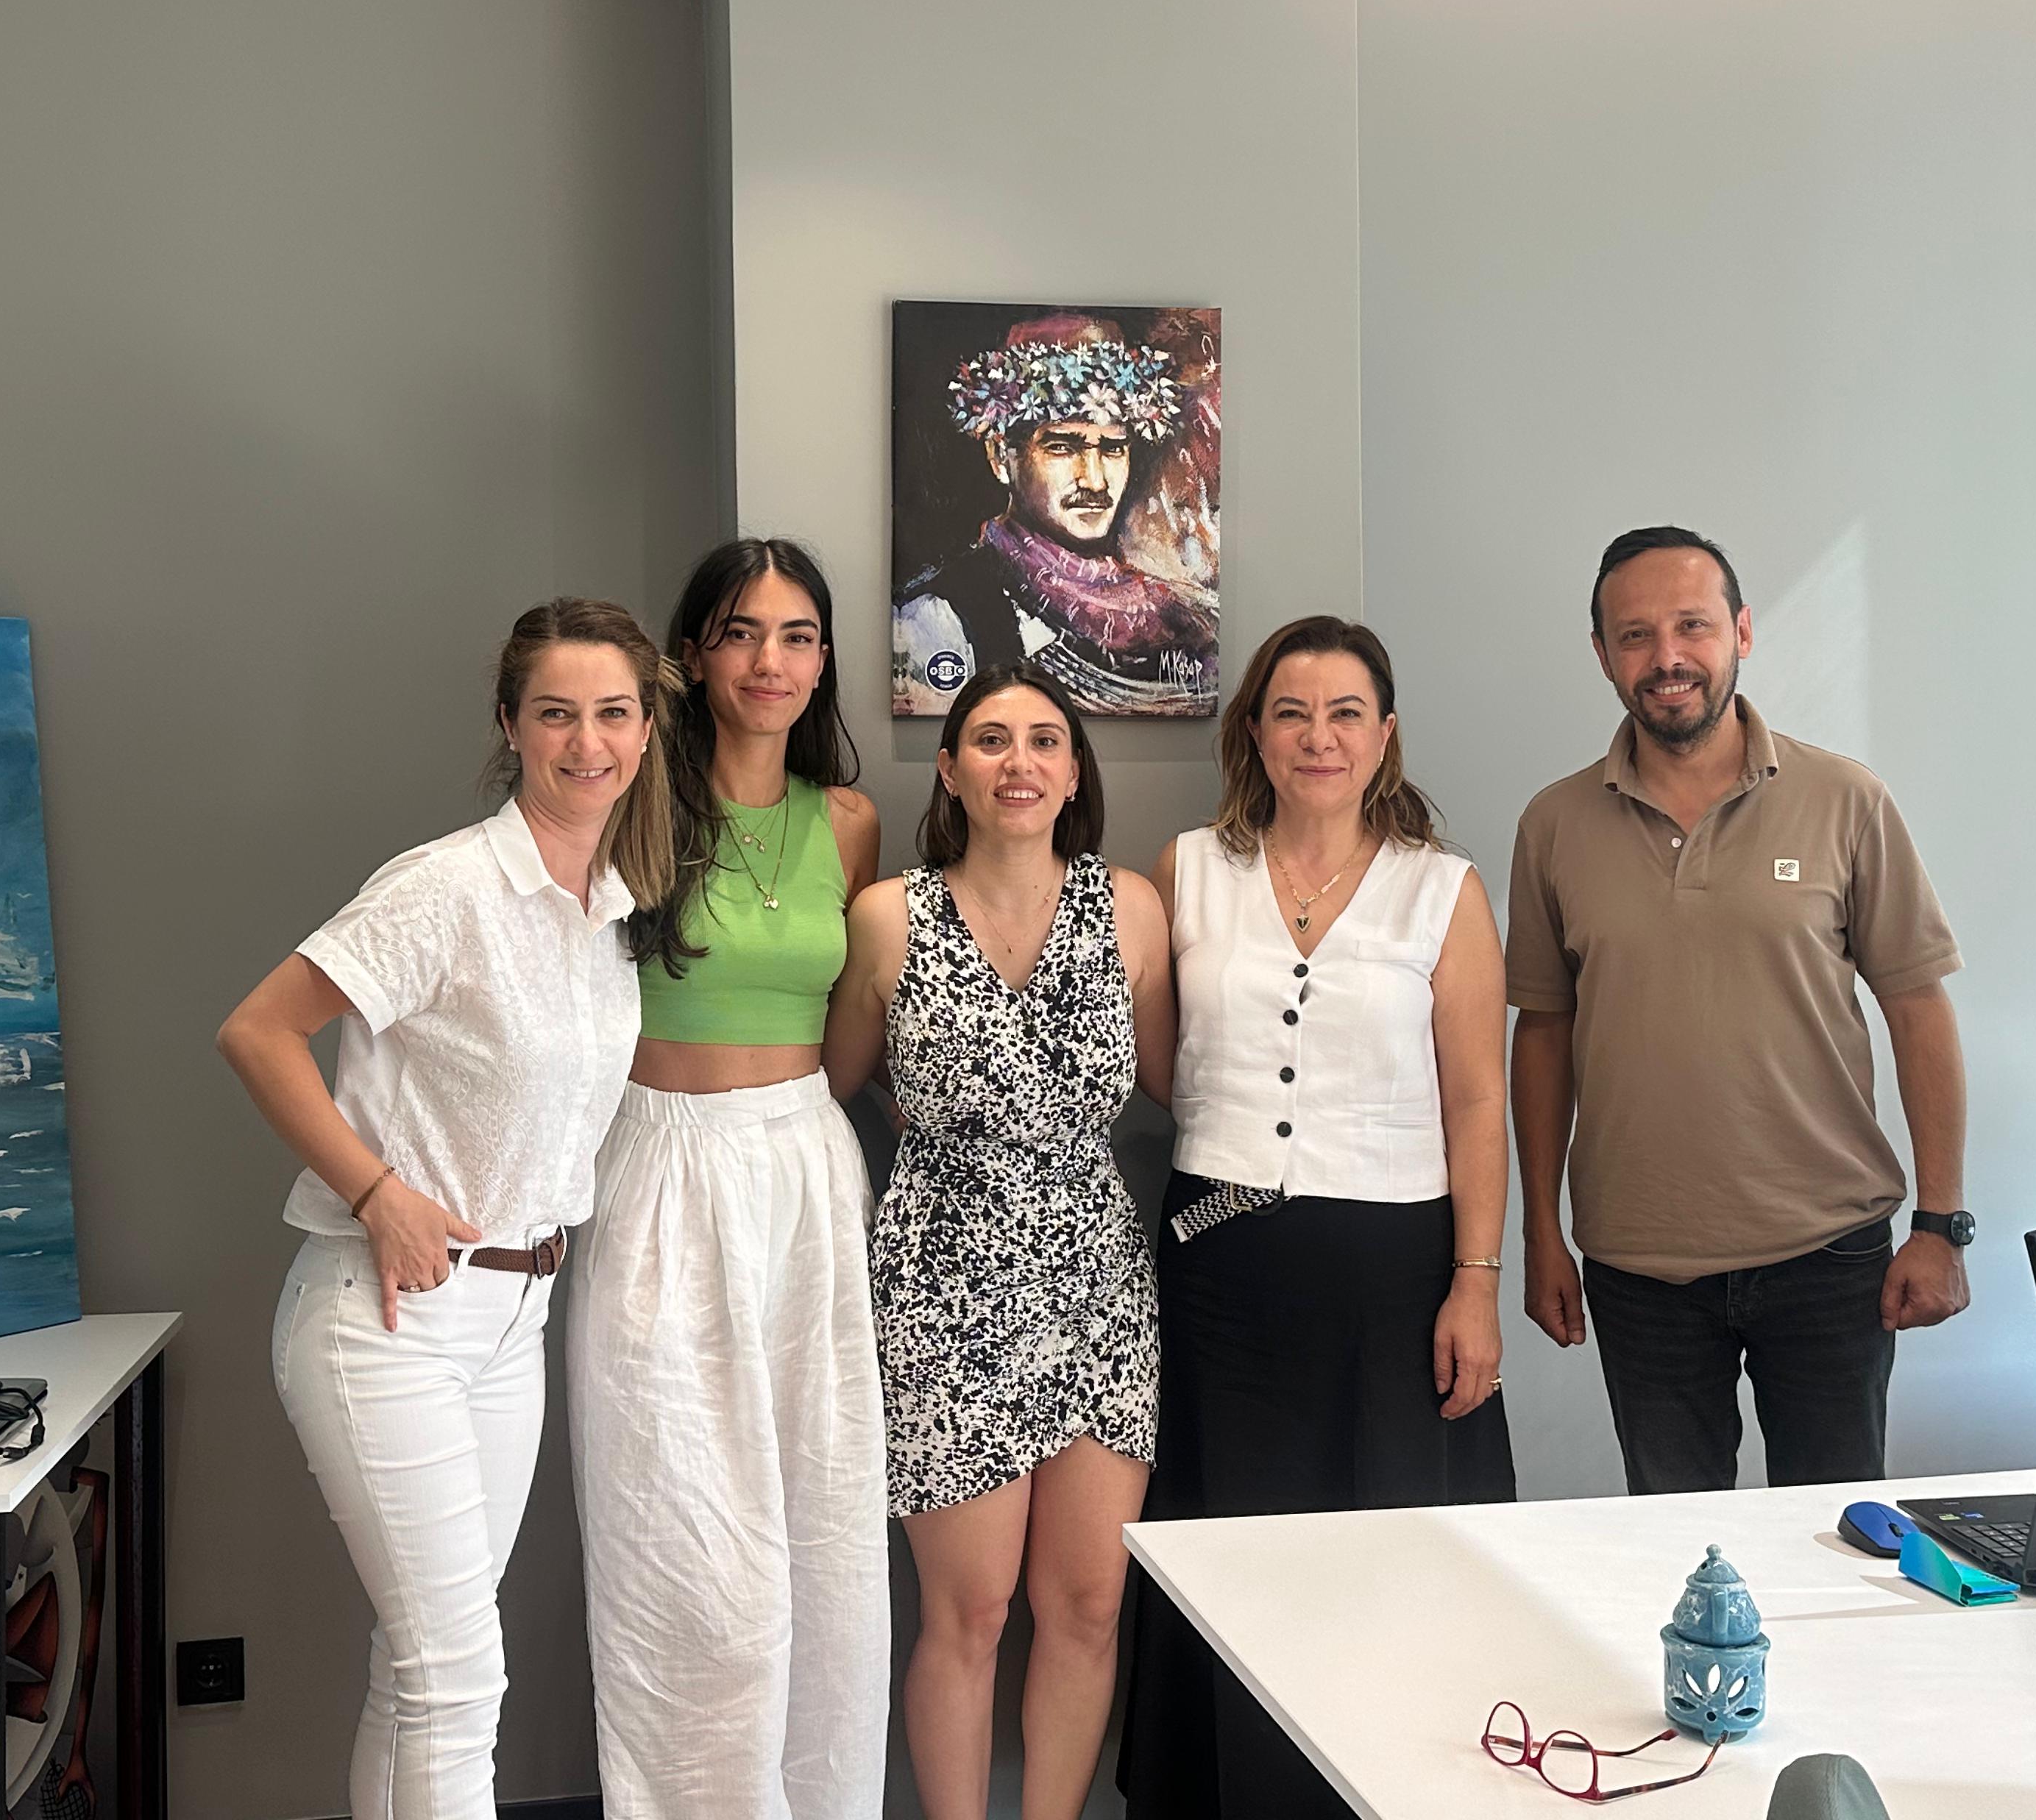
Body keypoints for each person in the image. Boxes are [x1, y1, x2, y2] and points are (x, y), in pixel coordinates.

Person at [218, 598, 674, 1820]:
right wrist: (377, 1190)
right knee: (456, 1677)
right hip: (389, 1317)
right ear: (511, 726)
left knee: (420, 1671)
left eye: (614, 713)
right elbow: (257, 1031)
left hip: (514, 1320)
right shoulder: (447, 886)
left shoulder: (610, 904)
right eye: (558, 713)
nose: (589, 741)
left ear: (646, 729)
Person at [1120, 614, 1514, 1820]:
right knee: (1232, 1550)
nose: (1318, 736)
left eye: (1345, 713)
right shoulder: (1189, 869)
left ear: (1384, 735)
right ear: (1254, 732)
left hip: (1394, 1275)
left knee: (1387, 1550)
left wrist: (1476, 1279)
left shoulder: (1441, 888)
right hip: (1220, 1265)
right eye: (1291, 712)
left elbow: (1478, 1095)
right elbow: (1162, 1066)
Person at [1508, 526, 1973, 1497]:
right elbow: (1543, 1032)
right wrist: (1540, 1230)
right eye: (1635, 635)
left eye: (1693, 626)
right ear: (1602, 653)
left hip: (1829, 1253)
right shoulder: (1554, 824)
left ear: (1742, 633)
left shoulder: (1846, 800)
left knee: (1837, 1537)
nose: (1667, 657)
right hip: (1638, 1266)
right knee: (1679, 1548)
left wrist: (1941, 1223)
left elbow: (1918, 1007)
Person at [563, 538, 890, 1820]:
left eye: (797, 634)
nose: (770, 660)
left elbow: (852, 1032)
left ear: (823, 659)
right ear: (692, 653)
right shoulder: (632, 803)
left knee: (821, 1515)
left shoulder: (848, 822)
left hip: (805, 1165)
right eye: (742, 631)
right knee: (676, 1520)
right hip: (660, 1165)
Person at [822, 664, 1174, 1820]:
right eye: (989, 740)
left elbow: (1174, 1080)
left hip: (1098, 1286)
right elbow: (830, 1086)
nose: (1018, 762)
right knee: (968, 1613)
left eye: (1043, 741)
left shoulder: (1132, 908)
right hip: (941, 1287)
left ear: (1074, 773)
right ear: (949, 770)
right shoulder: (888, 916)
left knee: (1087, 1607)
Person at [893, 311, 1216, 719]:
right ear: (1001, 457)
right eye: (1063, 447)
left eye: (1113, 449)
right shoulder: (939, 616)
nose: (1095, 481)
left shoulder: (1174, 615)